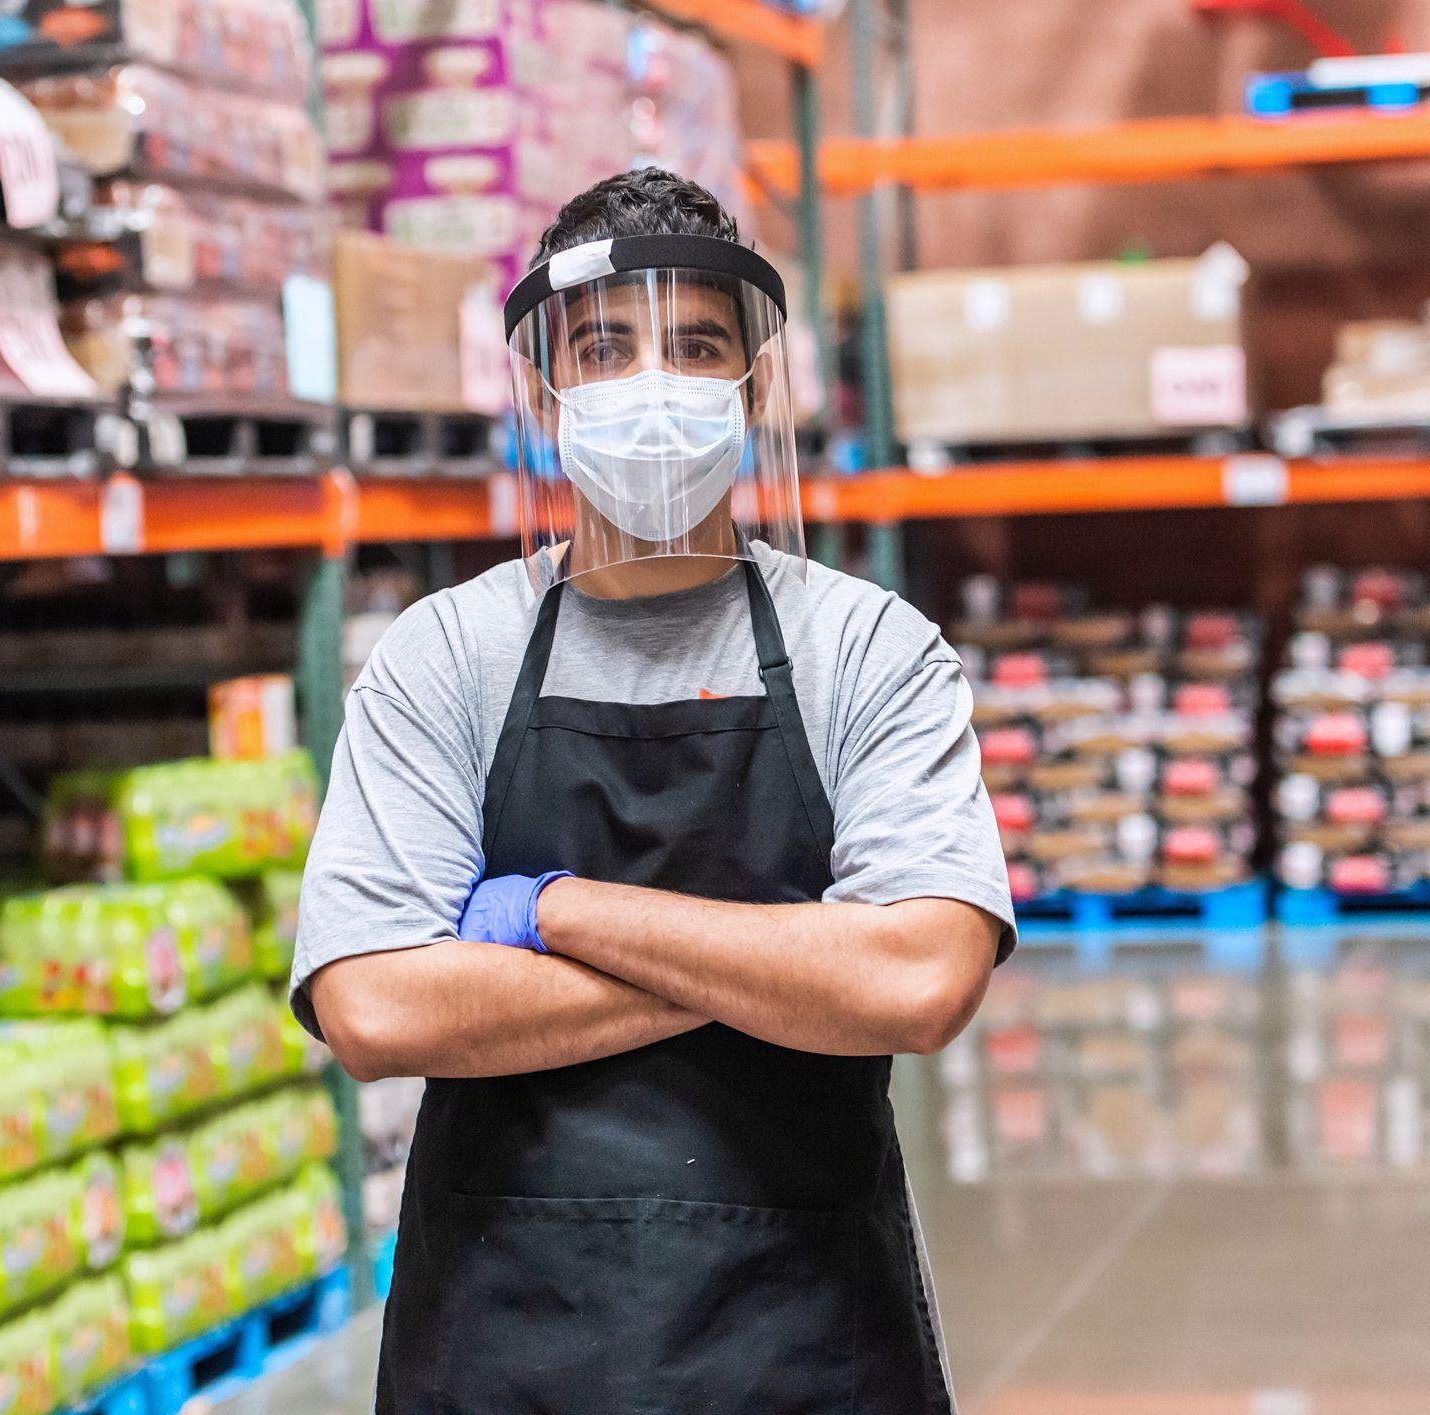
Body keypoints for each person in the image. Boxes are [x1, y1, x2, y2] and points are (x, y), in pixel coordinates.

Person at [293, 168, 1015, 1414]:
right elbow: (374, 1006)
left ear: (753, 383)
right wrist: (783, 964)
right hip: (506, 1342)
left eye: (692, 346)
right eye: (604, 347)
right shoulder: (445, 655)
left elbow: (915, 981)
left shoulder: (867, 648)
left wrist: (554, 907)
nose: (648, 385)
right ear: (546, 387)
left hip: (800, 1338)